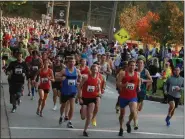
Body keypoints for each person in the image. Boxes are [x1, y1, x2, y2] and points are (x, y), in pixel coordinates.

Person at [116, 59, 141, 136]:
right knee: (122, 114)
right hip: (123, 96)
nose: (132, 67)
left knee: (133, 112)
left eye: (134, 65)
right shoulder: (123, 73)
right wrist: (123, 85)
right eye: (131, 65)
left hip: (132, 96)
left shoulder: (137, 74)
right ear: (128, 66)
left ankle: (128, 123)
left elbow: (139, 81)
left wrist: (139, 87)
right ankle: (121, 128)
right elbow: (118, 83)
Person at [78, 64, 101, 137]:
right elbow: (79, 87)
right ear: (91, 70)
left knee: (90, 115)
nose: (95, 70)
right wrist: (79, 97)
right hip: (84, 98)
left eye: (96, 69)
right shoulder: (86, 77)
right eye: (93, 69)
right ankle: (82, 110)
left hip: (93, 99)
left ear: (97, 71)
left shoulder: (98, 80)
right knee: (83, 117)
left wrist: (99, 93)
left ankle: (85, 130)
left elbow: (99, 89)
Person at [58, 56, 81, 128]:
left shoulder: (77, 71)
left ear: (75, 62)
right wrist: (61, 78)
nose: (71, 63)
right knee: (63, 106)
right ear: (67, 63)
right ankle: (61, 116)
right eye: (70, 62)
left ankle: (70, 121)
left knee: (72, 106)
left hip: (73, 91)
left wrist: (78, 82)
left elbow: (80, 77)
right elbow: (56, 77)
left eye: (73, 62)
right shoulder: (64, 71)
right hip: (65, 91)